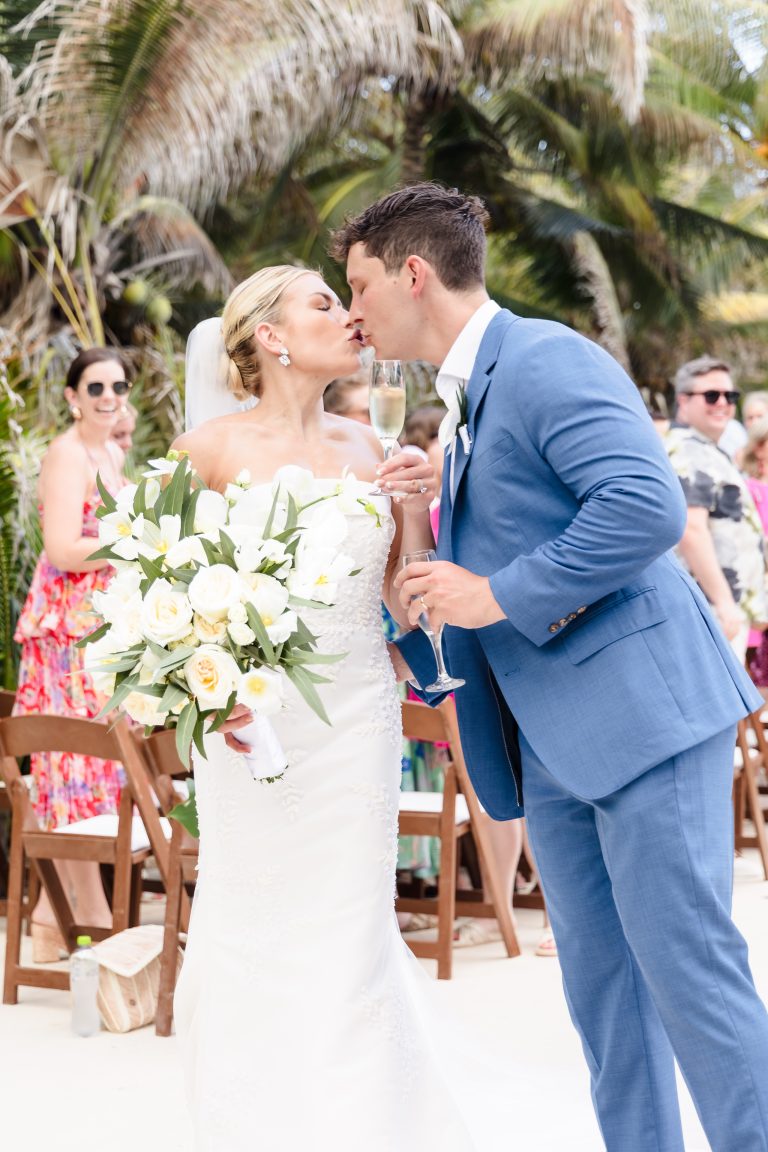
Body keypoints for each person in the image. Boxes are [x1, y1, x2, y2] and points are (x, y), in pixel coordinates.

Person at [330, 182, 768, 1152]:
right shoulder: (465, 401)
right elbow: (530, 523)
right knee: (604, 1005)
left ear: (412, 274)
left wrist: (495, 596)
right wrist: (427, 513)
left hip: (643, 720)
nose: (352, 314)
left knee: (693, 979)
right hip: (552, 745)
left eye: (357, 287)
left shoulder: (543, 359)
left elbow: (645, 508)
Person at [170, 267, 480, 1151]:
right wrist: (215, 693)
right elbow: (161, 591)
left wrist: (415, 509)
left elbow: (402, 591)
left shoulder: (365, 446)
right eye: (320, 303)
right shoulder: (207, 452)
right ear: (268, 336)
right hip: (251, 730)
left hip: (356, 717)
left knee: (349, 926)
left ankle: (357, 1123)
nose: (347, 315)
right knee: (255, 917)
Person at [12, 347, 130, 961]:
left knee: (101, 768)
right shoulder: (65, 454)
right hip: (64, 634)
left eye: (118, 385)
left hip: (100, 629)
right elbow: (61, 549)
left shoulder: (109, 451)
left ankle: (49, 924)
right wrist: (132, 543)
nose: (108, 396)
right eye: (95, 386)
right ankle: (89, 917)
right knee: (72, 767)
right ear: (72, 395)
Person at [665, 355, 767, 664]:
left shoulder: (707, 449)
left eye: (730, 396)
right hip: (709, 611)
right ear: (683, 399)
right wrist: (724, 604)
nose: (723, 403)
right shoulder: (689, 450)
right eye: (711, 395)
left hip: (723, 609)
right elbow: (691, 529)